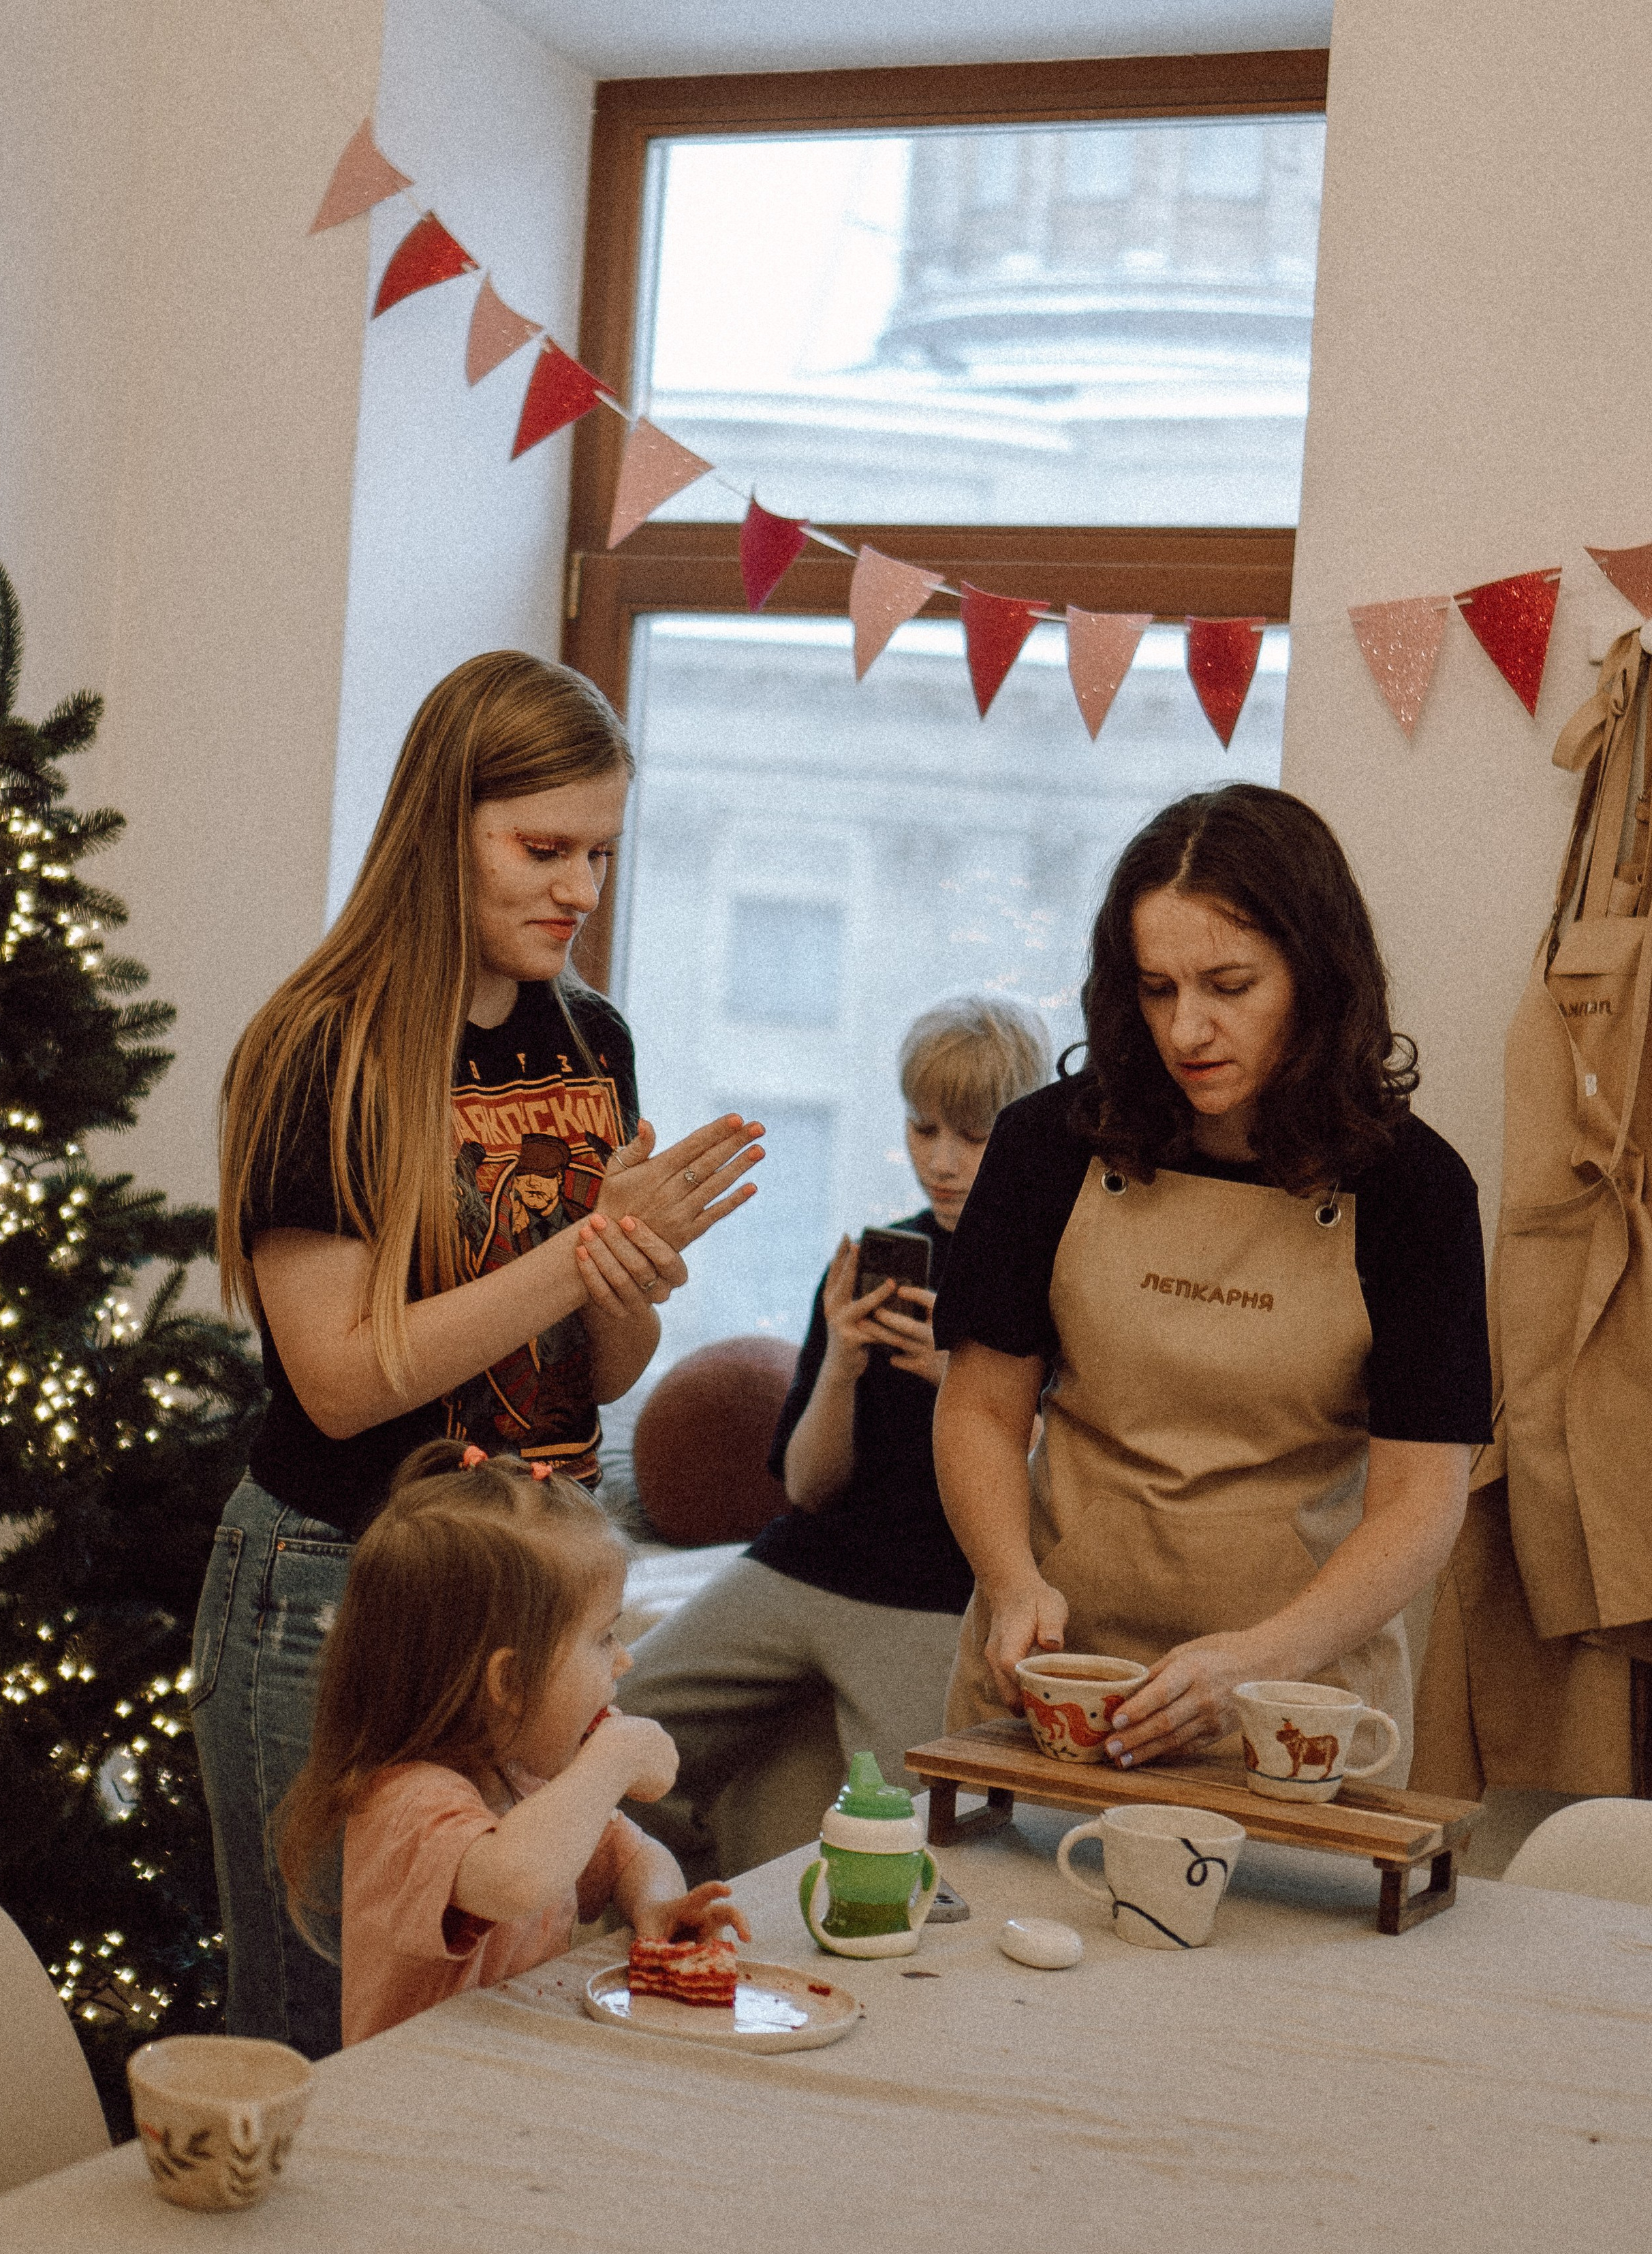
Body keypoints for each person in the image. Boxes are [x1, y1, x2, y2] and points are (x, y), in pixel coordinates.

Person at [191, 649, 763, 2056]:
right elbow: (334, 1377)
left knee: (496, 2021)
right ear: (439, 832)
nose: (579, 889)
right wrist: (576, 1250)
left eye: (604, 855)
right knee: (326, 2042)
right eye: (542, 848)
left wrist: (625, 1273)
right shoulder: (321, 1052)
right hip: (339, 1586)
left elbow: (603, 1370)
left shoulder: (591, 1040)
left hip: (530, 1599)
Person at [932, 786, 1492, 1781]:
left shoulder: (1413, 1191)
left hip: (1292, 1705)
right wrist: (1010, 1584)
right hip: (1058, 1683)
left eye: (1230, 987)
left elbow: (1419, 1502)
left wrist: (1260, 1659)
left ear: (1316, 979)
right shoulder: (1044, 1149)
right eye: (1157, 989)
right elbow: (979, 1407)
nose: (1187, 1030)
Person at [618, 997, 1052, 1871]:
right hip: (805, 1563)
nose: (942, 1161)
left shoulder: (1048, 1275)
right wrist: (843, 1366)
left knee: (927, 1838)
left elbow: (1063, 1487)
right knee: (608, 1733)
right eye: (923, 1129)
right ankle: (666, 1881)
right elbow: (808, 1488)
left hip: (937, 1594)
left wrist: (965, 1389)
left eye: (971, 1135)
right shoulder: (875, 1258)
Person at [277, 1442, 751, 2047]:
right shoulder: (408, 1805)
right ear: (508, 1680)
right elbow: (515, 1879)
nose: (624, 1660)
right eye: (603, 1638)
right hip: (421, 2105)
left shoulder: (525, 1777)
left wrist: (657, 1908)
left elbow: (633, 1856)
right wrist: (615, 1757)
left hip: (510, 2078)